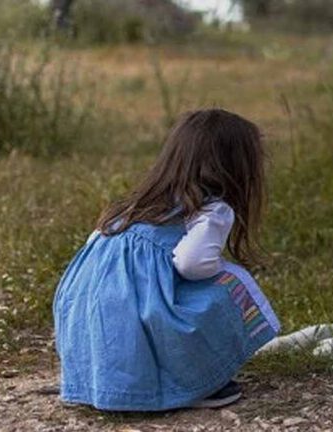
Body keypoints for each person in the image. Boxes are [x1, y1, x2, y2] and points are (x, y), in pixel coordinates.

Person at [53, 108, 280, 411]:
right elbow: (191, 263)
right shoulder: (212, 210)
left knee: (137, 302)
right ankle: (195, 382)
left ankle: (104, 381)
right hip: (136, 315)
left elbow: (95, 254)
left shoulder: (134, 206)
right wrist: (220, 270)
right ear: (236, 168)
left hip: (85, 315)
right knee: (232, 284)